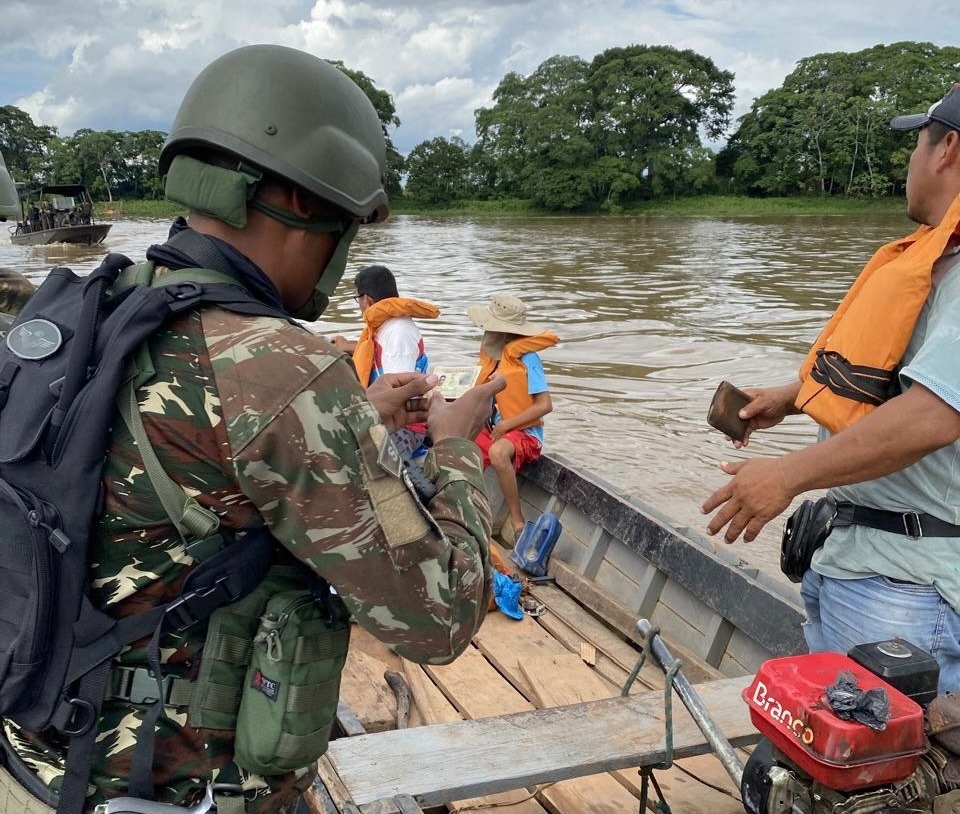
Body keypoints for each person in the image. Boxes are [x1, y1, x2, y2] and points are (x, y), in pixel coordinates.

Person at [0, 44, 502, 813]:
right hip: (160, 795)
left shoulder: (92, 306)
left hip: (31, 761)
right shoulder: (284, 370)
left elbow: (157, 456)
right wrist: (459, 448)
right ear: (303, 206)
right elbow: (439, 616)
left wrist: (354, 420)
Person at [702, 83, 960, 692]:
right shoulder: (937, 262)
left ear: (946, 149)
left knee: (873, 777)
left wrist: (788, 475)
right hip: (862, 566)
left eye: (914, 145)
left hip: (906, 587)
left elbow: (934, 414)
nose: (909, 164)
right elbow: (904, 378)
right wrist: (791, 397)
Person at [468, 294, 557, 540]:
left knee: (497, 453)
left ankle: (517, 522)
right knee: (456, 442)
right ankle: (468, 509)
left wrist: (507, 425)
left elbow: (545, 405)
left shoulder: (528, 359)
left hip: (524, 433)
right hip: (494, 427)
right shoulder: (492, 357)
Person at [331, 264, 439, 387]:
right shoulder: (387, 325)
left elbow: (399, 391)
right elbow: (383, 352)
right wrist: (347, 346)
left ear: (367, 300)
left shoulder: (398, 332)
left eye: (357, 298)